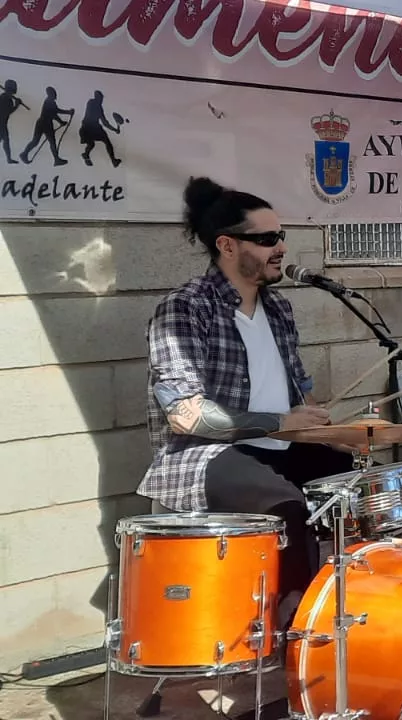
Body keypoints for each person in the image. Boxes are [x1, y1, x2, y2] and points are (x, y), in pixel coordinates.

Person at [138, 177, 346, 626]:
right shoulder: (185, 307)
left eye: (281, 236)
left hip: (281, 445)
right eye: (267, 239)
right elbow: (185, 415)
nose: (281, 248)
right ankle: (292, 632)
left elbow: (299, 392)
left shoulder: (279, 309)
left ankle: (363, 618)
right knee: (287, 505)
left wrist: (338, 434)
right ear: (227, 246)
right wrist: (281, 423)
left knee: (362, 490)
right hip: (203, 456)